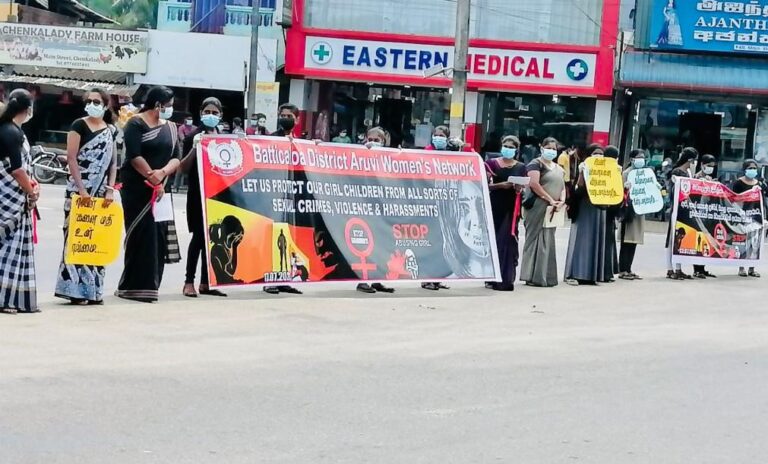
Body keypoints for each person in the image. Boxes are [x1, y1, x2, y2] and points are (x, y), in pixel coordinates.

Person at [116, 86, 182, 303]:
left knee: (158, 238)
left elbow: (176, 157)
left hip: (162, 189)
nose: (171, 109)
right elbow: (134, 156)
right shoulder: (136, 123)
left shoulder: (171, 127)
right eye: (169, 105)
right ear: (158, 105)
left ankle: (151, 287)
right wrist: (152, 179)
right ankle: (132, 287)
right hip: (138, 189)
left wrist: (162, 174)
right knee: (140, 236)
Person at [54, 88, 117, 305]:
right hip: (79, 193)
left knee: (97, 241)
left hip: (101, 196)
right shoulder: (78, 125)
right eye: (89, 101)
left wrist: (110, 189)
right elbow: (72, 159)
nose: (92, 104)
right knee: (77, 239)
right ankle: (74, 290)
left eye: (97, 101)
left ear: (106, 105)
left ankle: (94, 290)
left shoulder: (110, 131)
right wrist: (81, 189)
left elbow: (113, 164)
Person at [179, 97, 228, 298]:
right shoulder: (193, 136)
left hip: (217, 195)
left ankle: (207, 282)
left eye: (215, 113)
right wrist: (194, 148)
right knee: (198, 238)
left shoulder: (224, 137)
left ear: (221, 115)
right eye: (207, 112)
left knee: (214, 238)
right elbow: (183, 168)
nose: (211, 116)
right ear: (201, 113)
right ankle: (188, 281)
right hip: (198, 193)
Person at [0, 89, 40, 314]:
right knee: (8, 250)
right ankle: (5, 299)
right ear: (28, 109)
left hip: (8, 196)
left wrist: (33, 184)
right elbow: (17, 170)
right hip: (11, 199)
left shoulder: (9, 129)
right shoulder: (12, 132)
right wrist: (31, 191)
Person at [263, 104, 303, 295]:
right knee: (273, 237)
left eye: (289, 115)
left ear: (297, 119)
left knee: (289, 236)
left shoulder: (301, 141)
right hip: (274, 195)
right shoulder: (271, 138)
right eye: (283, 115)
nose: (285, 118)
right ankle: (269, 278)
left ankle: (285, 277)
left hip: (292, 196)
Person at [563, 144, 615, 285]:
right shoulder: (584, 168)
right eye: (595, 154)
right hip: (584, 208)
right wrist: (582, 173)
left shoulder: (607, 171)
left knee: (596, 239)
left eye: (601, 154)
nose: (598, 157)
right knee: (581, 239)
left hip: (599, 208)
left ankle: (593, 275)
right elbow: (578, 190)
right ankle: (575, 273)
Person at [520, 137, 566, 287]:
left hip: (554, 208)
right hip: (537, 206)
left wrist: (561, 201)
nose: (552, 151)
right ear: (541, 147)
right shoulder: (536, 164)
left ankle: (546, 276)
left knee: (548, 239)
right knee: (534, 239)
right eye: (549, 148)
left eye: (554, 149)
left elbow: (563, 186)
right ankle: (531, 275)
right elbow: (534, 184)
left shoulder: (559, 168)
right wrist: (549, 199)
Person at [484, 135, 527, 291]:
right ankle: (490, 276)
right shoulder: (490, 164)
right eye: (506, 146)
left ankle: (505, 278)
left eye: (511, 147)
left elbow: (522, 187)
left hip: (511, 208)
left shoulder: (521, 167)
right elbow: (484, 185)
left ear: (516, 149)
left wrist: (518, 188)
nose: (508, 149)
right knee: (493, 241)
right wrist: (500, 185)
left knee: (508, 241)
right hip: (494, 206)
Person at [357, 126, 396, 294]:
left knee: (382, 245)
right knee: (365, 246)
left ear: (383, 142)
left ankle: (378, 279)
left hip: (383, 208)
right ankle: (363, 280)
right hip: (365, 208)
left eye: (377, 140)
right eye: (370, 140)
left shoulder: (390, 158)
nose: (372, 143)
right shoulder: (357, 155)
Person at [618, 149, 656, 280]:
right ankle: (622, 269)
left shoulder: (645, 174)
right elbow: (619, 192)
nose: (641, 160)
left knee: (634, 241)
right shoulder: (626, 173)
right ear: (632, 159)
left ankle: (628, 269)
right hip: (629, 212)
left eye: (643, 157)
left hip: (640, 210)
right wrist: (625, 188)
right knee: (626, 241)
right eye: (638, 157)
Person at [665, 147, 698, 280]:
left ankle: (678, 268)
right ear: (690, 159)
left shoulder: (689, 172)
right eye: (694, 159)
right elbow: (675, 191)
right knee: (673, 238)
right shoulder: (677, 172)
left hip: (685, 209)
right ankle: (670, 268)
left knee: (681, 239)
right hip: (677, 208)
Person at [732, 159, 762, 278]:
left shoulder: (759, 183)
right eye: (750, 168)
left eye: (754, 168)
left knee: (755, 243)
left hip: (756, 216)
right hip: (743, 215)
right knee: (743, 243)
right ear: (744, 169)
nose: (752, 170)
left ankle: (752, 267)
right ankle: (741, 267)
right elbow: (733, 198)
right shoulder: (738, 183)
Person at [691, 154, 718, 279]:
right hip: (698, 213)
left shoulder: (709, 178)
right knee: (699, 240)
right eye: (708, 166)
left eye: (712, 166)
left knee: (707, 241)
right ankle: (697, 269)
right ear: (702, 165)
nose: (710, 168)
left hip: (707, 213)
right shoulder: (697, 177)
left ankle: (702, 268)